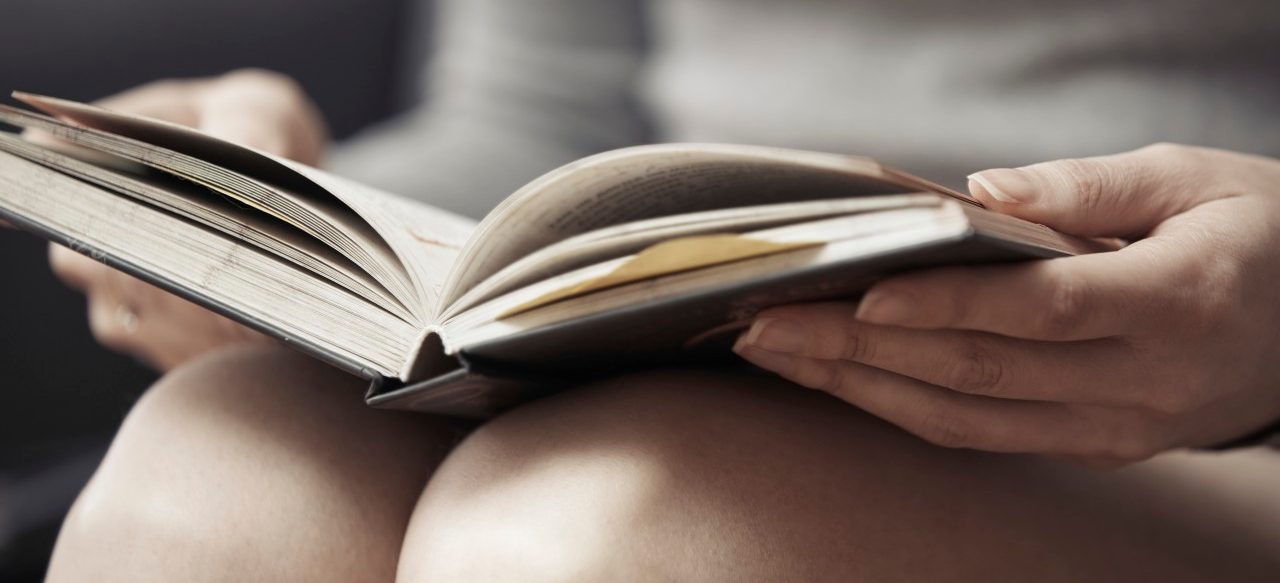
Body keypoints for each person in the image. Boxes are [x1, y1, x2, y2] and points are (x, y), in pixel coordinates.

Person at [36, 0, 1280, 580]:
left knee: (601, 532)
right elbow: (546, 124)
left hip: (1213, 413)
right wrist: (266, 209)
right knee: (220, 472)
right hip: (705, 311)